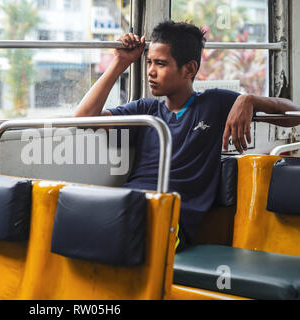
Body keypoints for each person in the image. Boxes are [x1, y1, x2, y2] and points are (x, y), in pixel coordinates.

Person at [74, 20, 300, 252]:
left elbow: (294, 115)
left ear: (189, 69)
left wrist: (250, 99)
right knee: (72, 218)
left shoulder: (214, 104)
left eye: (161, 64)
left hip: (170, 221)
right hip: (130, 205)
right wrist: (120, 62)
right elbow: (84, 118)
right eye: (149, 62)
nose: (151, 71)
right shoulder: (146, 110)